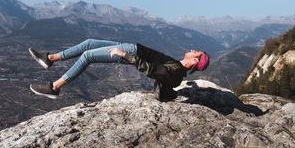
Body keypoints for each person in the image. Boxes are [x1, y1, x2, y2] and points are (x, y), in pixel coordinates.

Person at [28, 38, 210, 101]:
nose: (193, 50)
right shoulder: (178, 67)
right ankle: (50, 58)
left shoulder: (177, 71)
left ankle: (54, 88)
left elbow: (150, 69)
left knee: (87, 56)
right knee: (89, 42)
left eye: (197, 52)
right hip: (132, 48)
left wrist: (125, 55)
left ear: (195, 60)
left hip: (130, 52)